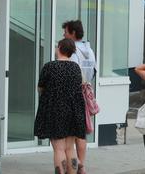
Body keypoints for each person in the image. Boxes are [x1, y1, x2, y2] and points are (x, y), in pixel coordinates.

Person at [34, 38, 87, 174]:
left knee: (59, 148)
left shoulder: (49, 67)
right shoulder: (76, 68)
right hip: (73, 112)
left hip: (55, 111)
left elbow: (40, 88)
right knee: (70, 148)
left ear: (60, 48)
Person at [62, 20, 96, 174]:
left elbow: (71, 73)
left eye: (66, 32)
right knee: (81, 132)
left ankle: (74, 166)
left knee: (71, 134)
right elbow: (93, 71)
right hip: (85, 91)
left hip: (73, 94)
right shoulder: (89, 50)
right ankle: (82, 165)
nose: (64, 34)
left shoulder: (73, 51)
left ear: (73, 33)